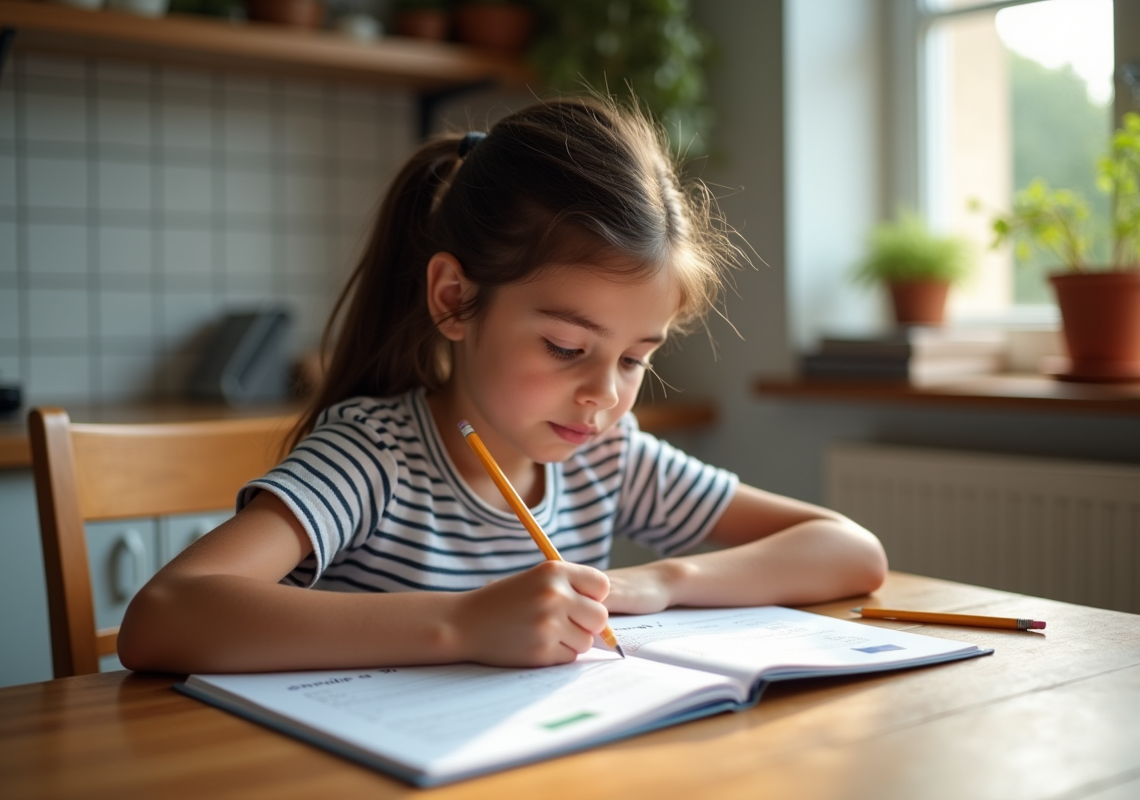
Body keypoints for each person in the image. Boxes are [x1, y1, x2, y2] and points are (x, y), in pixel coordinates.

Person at [118, 98, 887, 674]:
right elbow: (161, 617)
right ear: (455, 299)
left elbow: (849, 550)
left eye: (633, 358)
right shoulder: (374, 456)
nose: (603, 396)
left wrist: (658, 584)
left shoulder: (606, 456)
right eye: (565, 346)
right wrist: (462, 625)